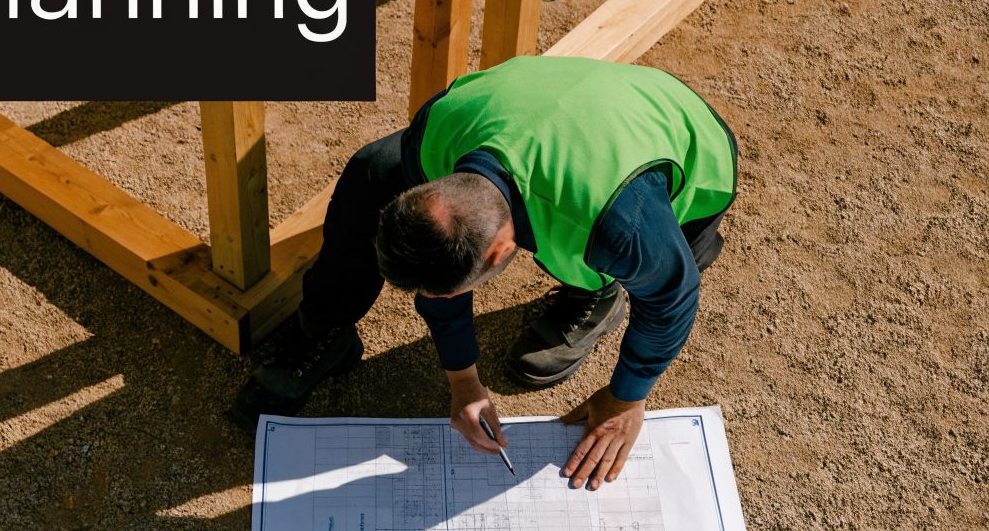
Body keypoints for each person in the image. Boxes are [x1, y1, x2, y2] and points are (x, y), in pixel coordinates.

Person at [231, 55, 738, 491]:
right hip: (571, 111)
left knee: (613, 263)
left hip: (685, 144)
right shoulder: (439, 132)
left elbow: (673, 297)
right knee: (372, 171)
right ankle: (324, 332)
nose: (433, 300)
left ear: (499, 254)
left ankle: (598, 295)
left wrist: (626, 398)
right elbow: (439, 258)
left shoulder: (616, 225)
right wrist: (462, 382)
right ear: (433, 189)